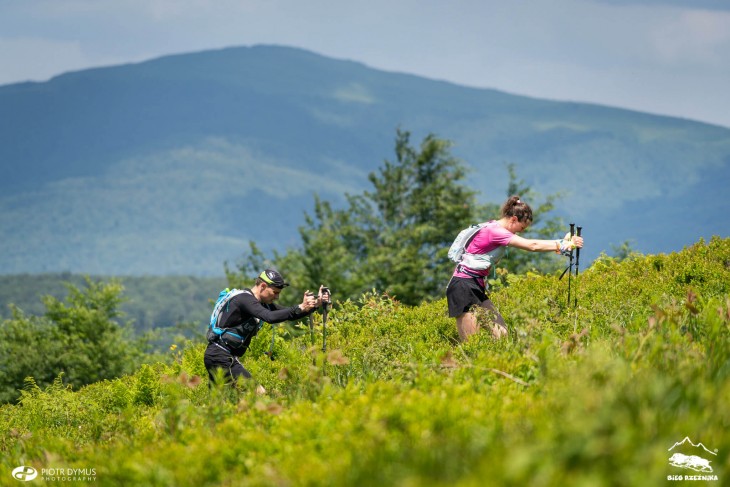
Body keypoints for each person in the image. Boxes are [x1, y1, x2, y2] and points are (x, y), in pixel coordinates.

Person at [446, 195, 584, 341]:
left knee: (501, 334)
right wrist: (561, 244)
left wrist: (559, 244)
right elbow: (532, 246)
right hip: (463, 287)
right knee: (472, 342)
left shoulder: (493, 226)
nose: (519, 232)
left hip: (475, 285)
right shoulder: (496, 232)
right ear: (513, 219)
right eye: (521, 228)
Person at [204, 268, 329, 391]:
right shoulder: (244, 299)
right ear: (263, 286)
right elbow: (269, 317)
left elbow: (289, 314)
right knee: (258, 393)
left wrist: (315, 304)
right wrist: (301, 306)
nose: (277, 297)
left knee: (223, 403)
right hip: (220, 356)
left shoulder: (261, 303)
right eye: (275, 292)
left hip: (220, 356)